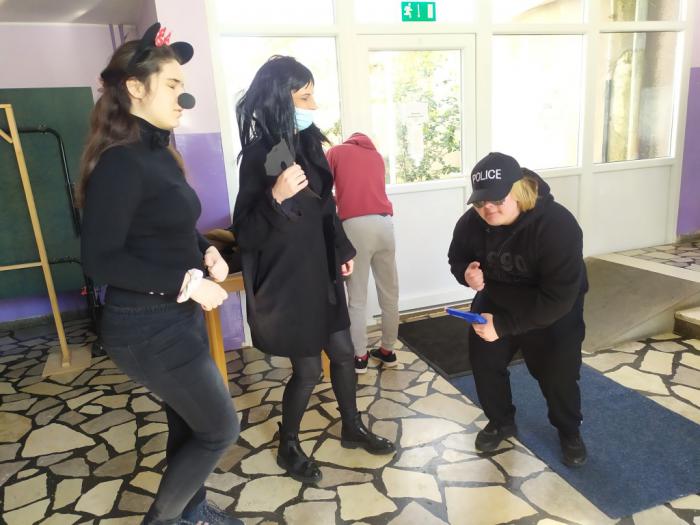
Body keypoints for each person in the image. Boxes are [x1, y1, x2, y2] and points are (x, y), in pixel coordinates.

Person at [79, 23, 242, 524]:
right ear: (135, 87)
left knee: (190, 424)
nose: (182, 96)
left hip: (177, 317)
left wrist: (206, 252)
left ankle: (192, 513)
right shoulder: (119, 164)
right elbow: (100, 259)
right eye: (172, 84)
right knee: (219, 428)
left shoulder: (160, 154)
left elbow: (170, 226)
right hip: (145, 327)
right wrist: (187, 282)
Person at [231, 56, 395, 484]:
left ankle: (352, 427)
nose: (313, 106)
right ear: (279, 99)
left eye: (312, 96)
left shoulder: (306, 145)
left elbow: (326, 209)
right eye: (304, 97)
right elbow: (246, 232)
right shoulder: (260, 155)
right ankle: (288, 445)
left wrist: (341, 248)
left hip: (321, 272)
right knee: (307, 370)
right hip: (289, 283)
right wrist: (275, 196)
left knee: (342, 353)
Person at [447, 152, 589, 467]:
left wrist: (503, 326)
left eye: (497, 200)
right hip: (497, 299)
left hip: (553, 308)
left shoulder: (558, 225)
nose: (488, 208)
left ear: (519, 191)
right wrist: (466, 274)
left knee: (558, 374)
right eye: (480, 202)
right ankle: (501, 422)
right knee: (484, 361)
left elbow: (558, 298)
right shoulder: (472, 222)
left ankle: (568, 431)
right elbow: (457, 257)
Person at [326, 133, 400, 373]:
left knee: (357, 297)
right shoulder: (377, 156)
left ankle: (360, 357)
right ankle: (388, 350)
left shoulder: (336, 152)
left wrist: (338, 199)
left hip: (355, 226)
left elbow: (322, 187)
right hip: (384, 224)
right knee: (389, 292)